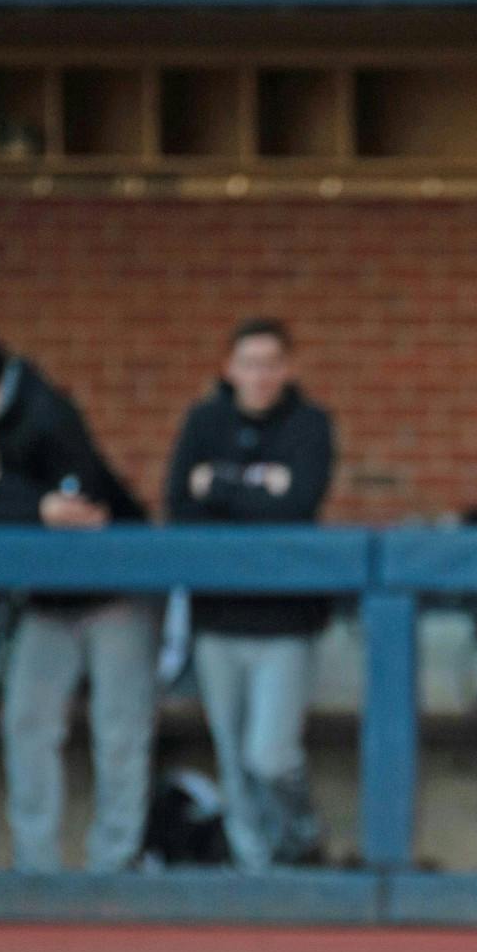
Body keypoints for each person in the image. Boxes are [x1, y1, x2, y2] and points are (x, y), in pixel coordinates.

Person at [0, 328, 157, 874]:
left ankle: (115, 865)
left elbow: (83, 512)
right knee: (27, 722)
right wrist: (32, 504)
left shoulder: (46, 411)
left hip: (115, 590)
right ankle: (35, 867)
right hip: (46, 602)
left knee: (120, 729)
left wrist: (1, 492)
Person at [165, 318, 335, 870]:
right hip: (217, 618)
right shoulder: (205, 421)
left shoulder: (309, 425)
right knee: (234, 762)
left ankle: (299, 838)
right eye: (249, 364)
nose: (259, 375)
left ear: (287, 369)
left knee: (270, 756)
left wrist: (218, 484)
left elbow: (297, 506)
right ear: (229, 369)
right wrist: (260, 487)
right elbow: (178, 507)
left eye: (270, 364)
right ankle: (253, 869)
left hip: (285, 623)